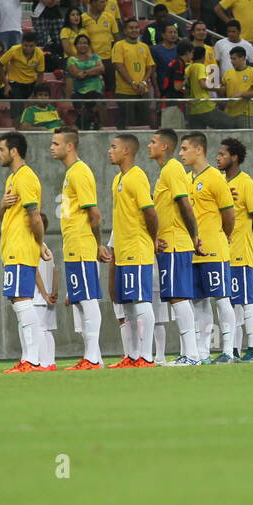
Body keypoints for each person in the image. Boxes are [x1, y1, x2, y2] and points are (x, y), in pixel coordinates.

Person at [50, 127, 105, 368]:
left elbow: (94, 213)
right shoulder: (71, 172)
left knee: (88, 300)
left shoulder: (80, 172)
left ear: (69, 146)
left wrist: (97, 244)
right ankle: (95, 357)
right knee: (80, 301)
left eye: (56, 143)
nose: (52, 147)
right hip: (73, 246)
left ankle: (92, 357)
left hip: (83, 245)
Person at [179, 131, 236, 363]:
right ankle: (202, 351)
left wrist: (222, 237)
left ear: (198, 149)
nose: (181, 153)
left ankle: (228, 350)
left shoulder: (214, 177)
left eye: (185, 149)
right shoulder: (185, 178)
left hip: (213, 249)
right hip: (193, 251)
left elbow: (229, 215)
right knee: (199, 302)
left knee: (221, 299)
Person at [148, 128, 202, 366]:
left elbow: (184, 203)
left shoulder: (172, 169)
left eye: (153, 142)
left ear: (164, 147)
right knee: (178, 298)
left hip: (175, 242)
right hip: (170, 242)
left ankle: (191, 355)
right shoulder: (165, 171)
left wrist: (194, 236)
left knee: (178, 298)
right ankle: (191, 353)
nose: (149, 146)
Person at [0, 131, 47, 373]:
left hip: (20, 249)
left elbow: (34, 215)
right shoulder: (11, 179)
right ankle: (29, 358)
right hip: (12, 249)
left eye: (1, 149)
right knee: (19, 301)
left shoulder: (26, 177)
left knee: (23, 302)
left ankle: (33, 360)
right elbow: (5, 215)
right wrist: (2, 205)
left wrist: (40, 243)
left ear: (13, 151)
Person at [107, 133, 159, 367]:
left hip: (137, 248)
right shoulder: (118, 179)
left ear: (126, 151)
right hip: (123, 249)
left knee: (140, 301)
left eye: (114, 146)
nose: (110, 150)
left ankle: (147, 356)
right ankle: (133, 355)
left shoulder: (137, 177)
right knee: (126, 304)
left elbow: (150, 211)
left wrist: (153, 238)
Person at [217, 137, 253, 360]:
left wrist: (250, 240)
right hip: (223, 252)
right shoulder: (218, 182)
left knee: (247, 300)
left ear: (234, 157)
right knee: (230, 302)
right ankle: (232, 349)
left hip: (241, 251)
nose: (218, 158)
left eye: (222, 154)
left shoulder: (246, 182)